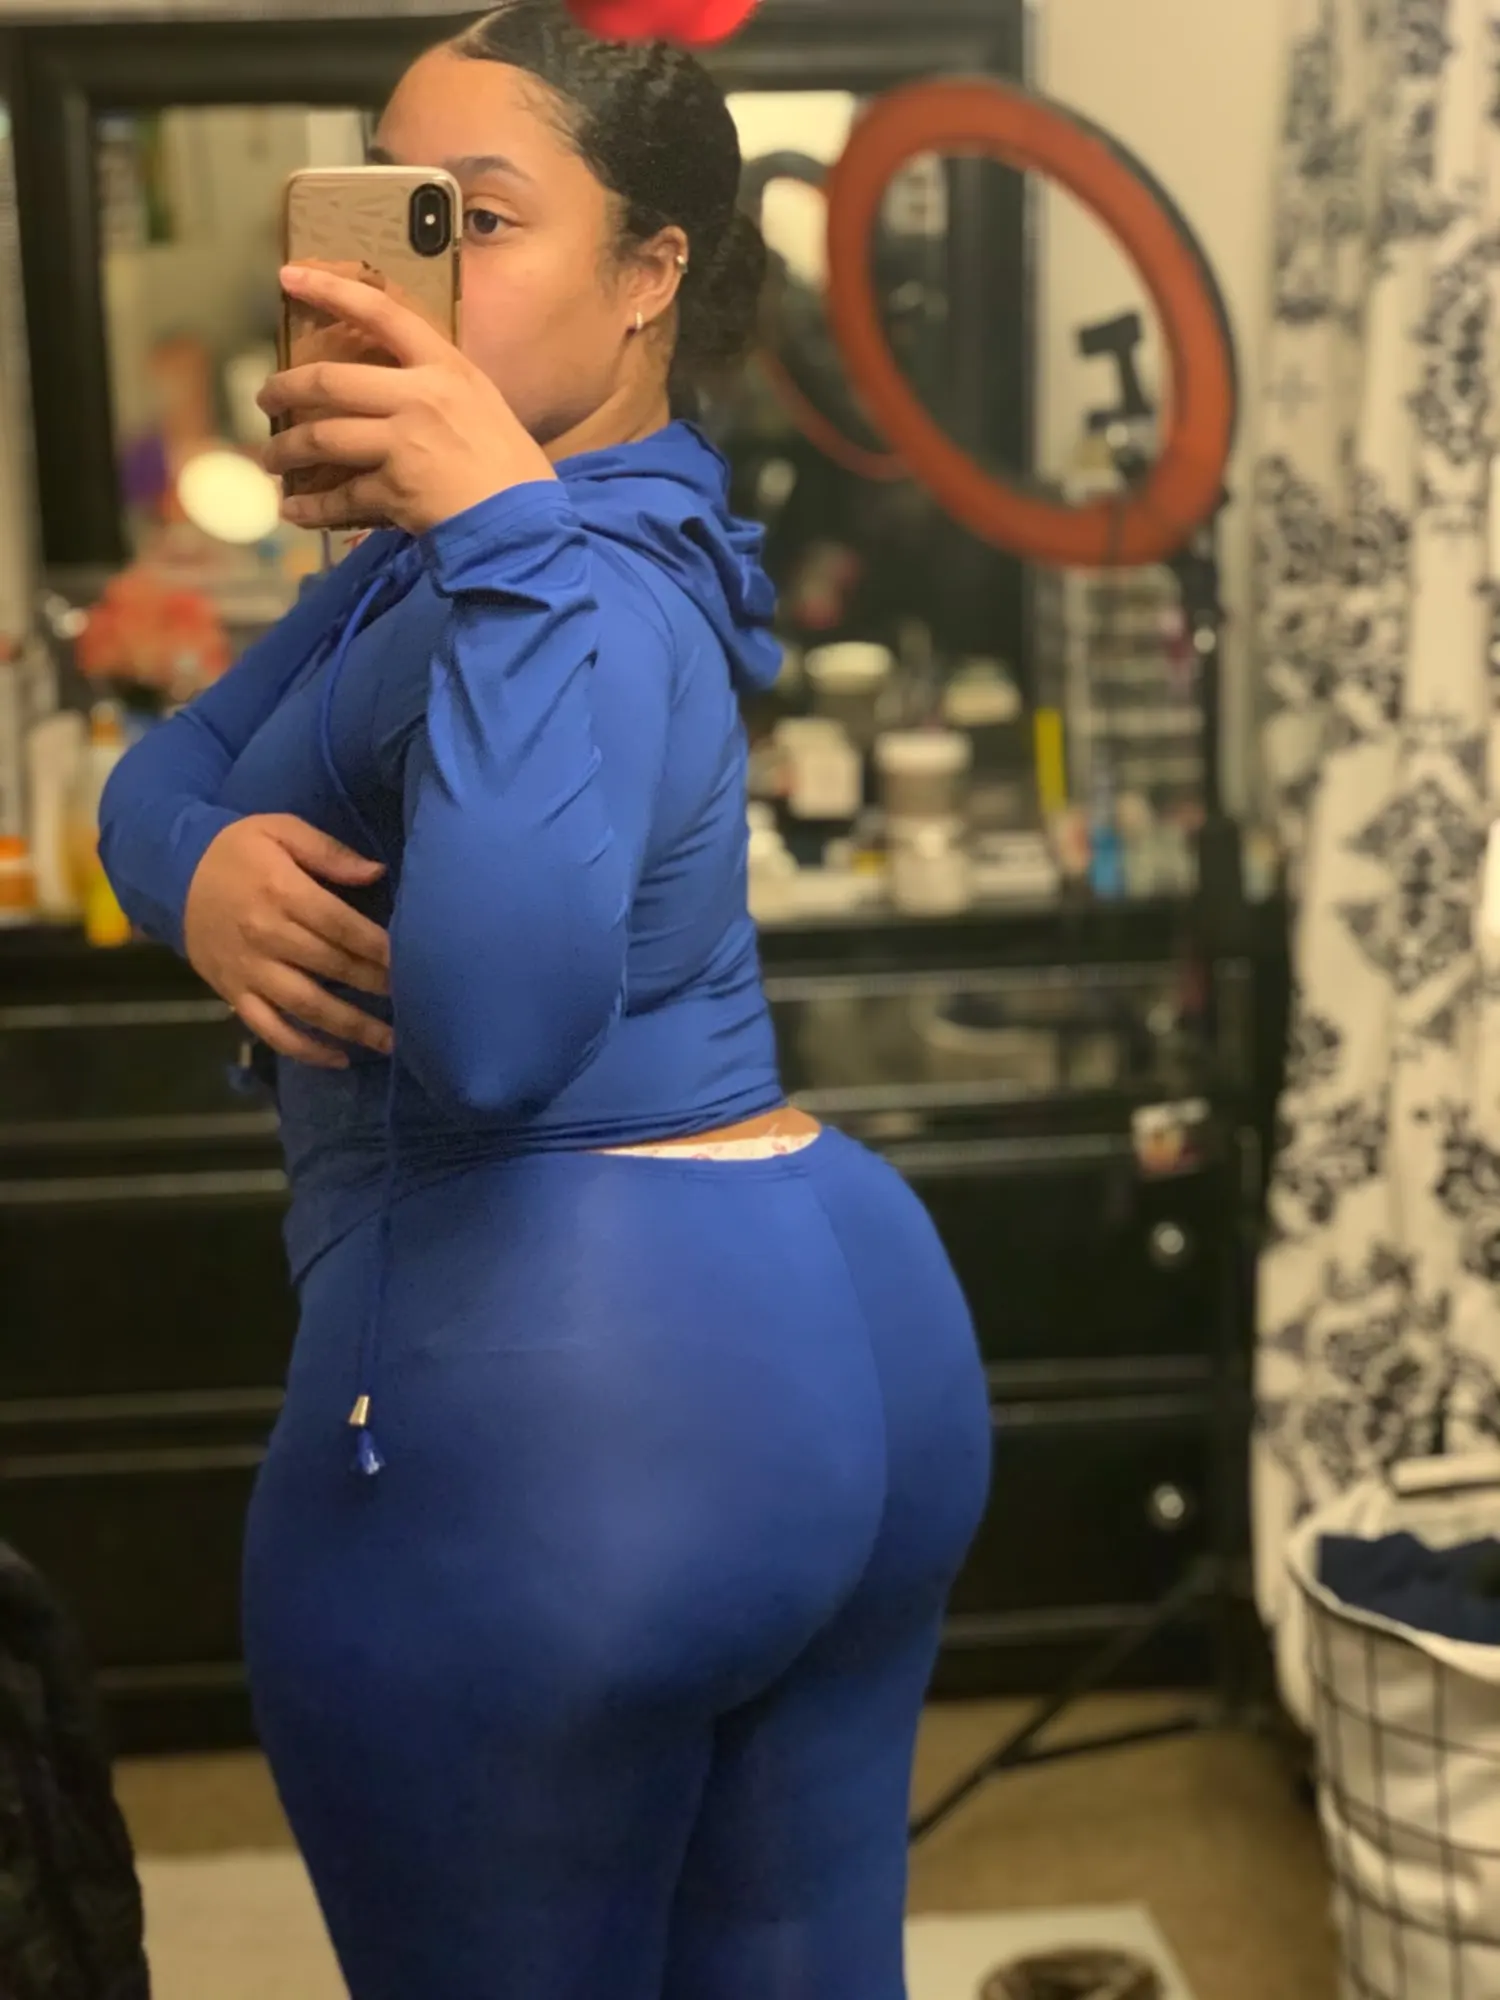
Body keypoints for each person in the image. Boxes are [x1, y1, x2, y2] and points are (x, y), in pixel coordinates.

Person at [98, 7, 991, 1995]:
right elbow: (155, 778)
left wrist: (496, 526)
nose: (410, 271)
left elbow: (497, 1037)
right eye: (396, 208)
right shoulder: (478, 555)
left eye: (480, 221)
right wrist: (205, 872)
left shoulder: (539, 566)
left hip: (571, 1392)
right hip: (826, 1313)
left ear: (652, 272)